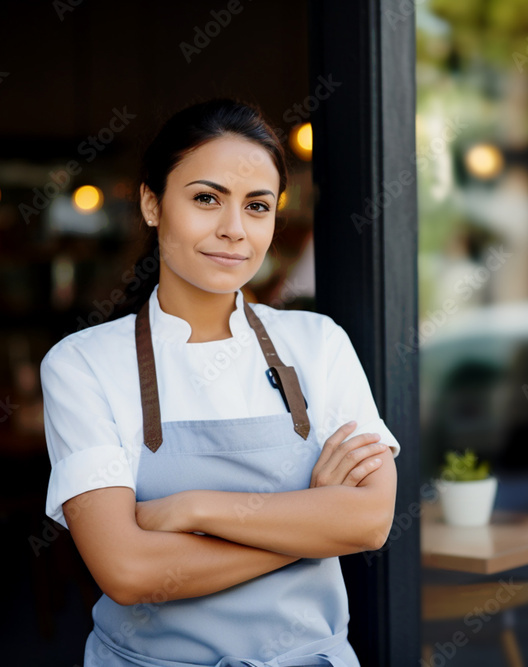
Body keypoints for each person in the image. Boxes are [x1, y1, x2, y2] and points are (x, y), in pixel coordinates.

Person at [40, 98, 401, 667]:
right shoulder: (83, 364)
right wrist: (309, 523)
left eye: (257, 206)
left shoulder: (319, 343)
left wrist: (196, 509)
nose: (234, 230)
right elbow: (129, 572)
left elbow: (372, 521)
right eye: (207, 199)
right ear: (152, 203)